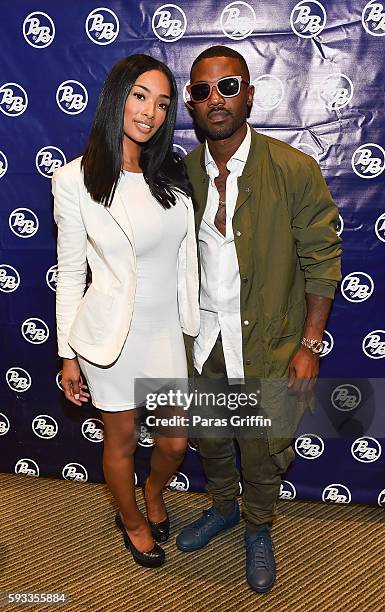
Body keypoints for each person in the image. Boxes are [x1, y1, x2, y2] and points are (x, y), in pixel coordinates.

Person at [176, 46, 342, 593]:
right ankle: (224, 507)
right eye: (202, 91)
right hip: (202, 342)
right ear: (191, 105)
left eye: (228, 87)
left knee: (265, 447)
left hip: (268, 343)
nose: (215, 100)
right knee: (212, 436)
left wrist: (310, 344)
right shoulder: (180, 177)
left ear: (249, 94)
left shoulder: (293, 169)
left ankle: (257, 526)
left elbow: (322, 258)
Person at [52, 54, 199, 568]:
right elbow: (70, 273)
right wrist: (68, 355)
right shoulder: (75, 180)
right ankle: (132, 519)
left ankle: (154, 493)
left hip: (164, 332)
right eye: (140, 96)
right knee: (121, 440)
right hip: (110, 337)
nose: (150, 112)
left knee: (176, 441)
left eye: (162, 103)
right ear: (117, 96)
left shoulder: (172, 174)